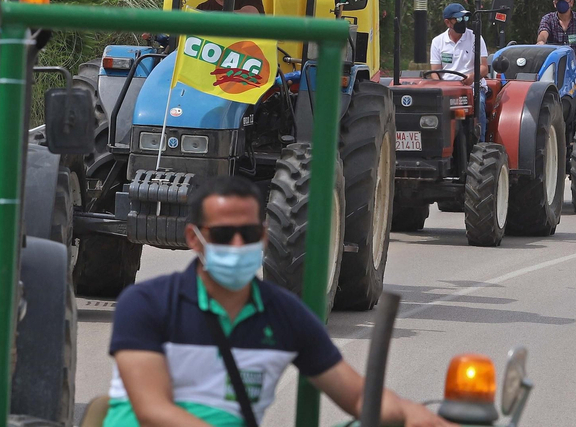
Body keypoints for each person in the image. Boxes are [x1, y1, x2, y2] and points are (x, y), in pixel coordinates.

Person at [107, 175, 452, 427]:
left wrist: (410, 415)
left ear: (264, 237)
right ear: (194, 239)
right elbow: (152, 410)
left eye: (248, 234)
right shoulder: (146, 304)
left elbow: (359, 396)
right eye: (224, 234)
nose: (238, 245)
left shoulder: (284, 315)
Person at [430, 3, 490, 80]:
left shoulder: (476, 38)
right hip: (447, 85)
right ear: (448, 22)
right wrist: (440, 85)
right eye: (459, 19)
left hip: (472, 85)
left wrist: (472, 77)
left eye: (465, 18)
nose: (463, 22)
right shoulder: (437, 41)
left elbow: (484, 68)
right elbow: (435, 72)